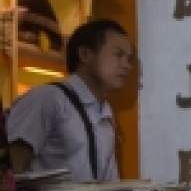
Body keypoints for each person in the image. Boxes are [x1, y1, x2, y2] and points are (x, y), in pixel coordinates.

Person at [7, 18, 133, 181]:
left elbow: (108, 184)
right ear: (85, 54)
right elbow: (10, 168)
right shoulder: (49, 99)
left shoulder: (105, 112)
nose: (127, 65)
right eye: (118, 55)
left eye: (129, 59)